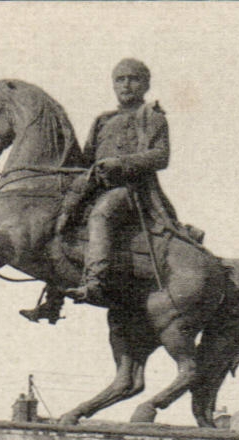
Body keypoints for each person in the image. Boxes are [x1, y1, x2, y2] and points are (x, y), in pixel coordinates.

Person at [64, 58, 175, 307]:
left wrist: (120, 163)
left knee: (101, 214)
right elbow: (87, 159)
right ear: (113, 85)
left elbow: (160, 156)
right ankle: (53, 298)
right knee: (60, 216)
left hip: (131, 190)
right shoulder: (103, 120)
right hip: (96, 188)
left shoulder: (151, 116)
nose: (126, 85)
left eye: (133, 79)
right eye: (120, 79)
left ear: (145, 85)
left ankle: (95, 283)